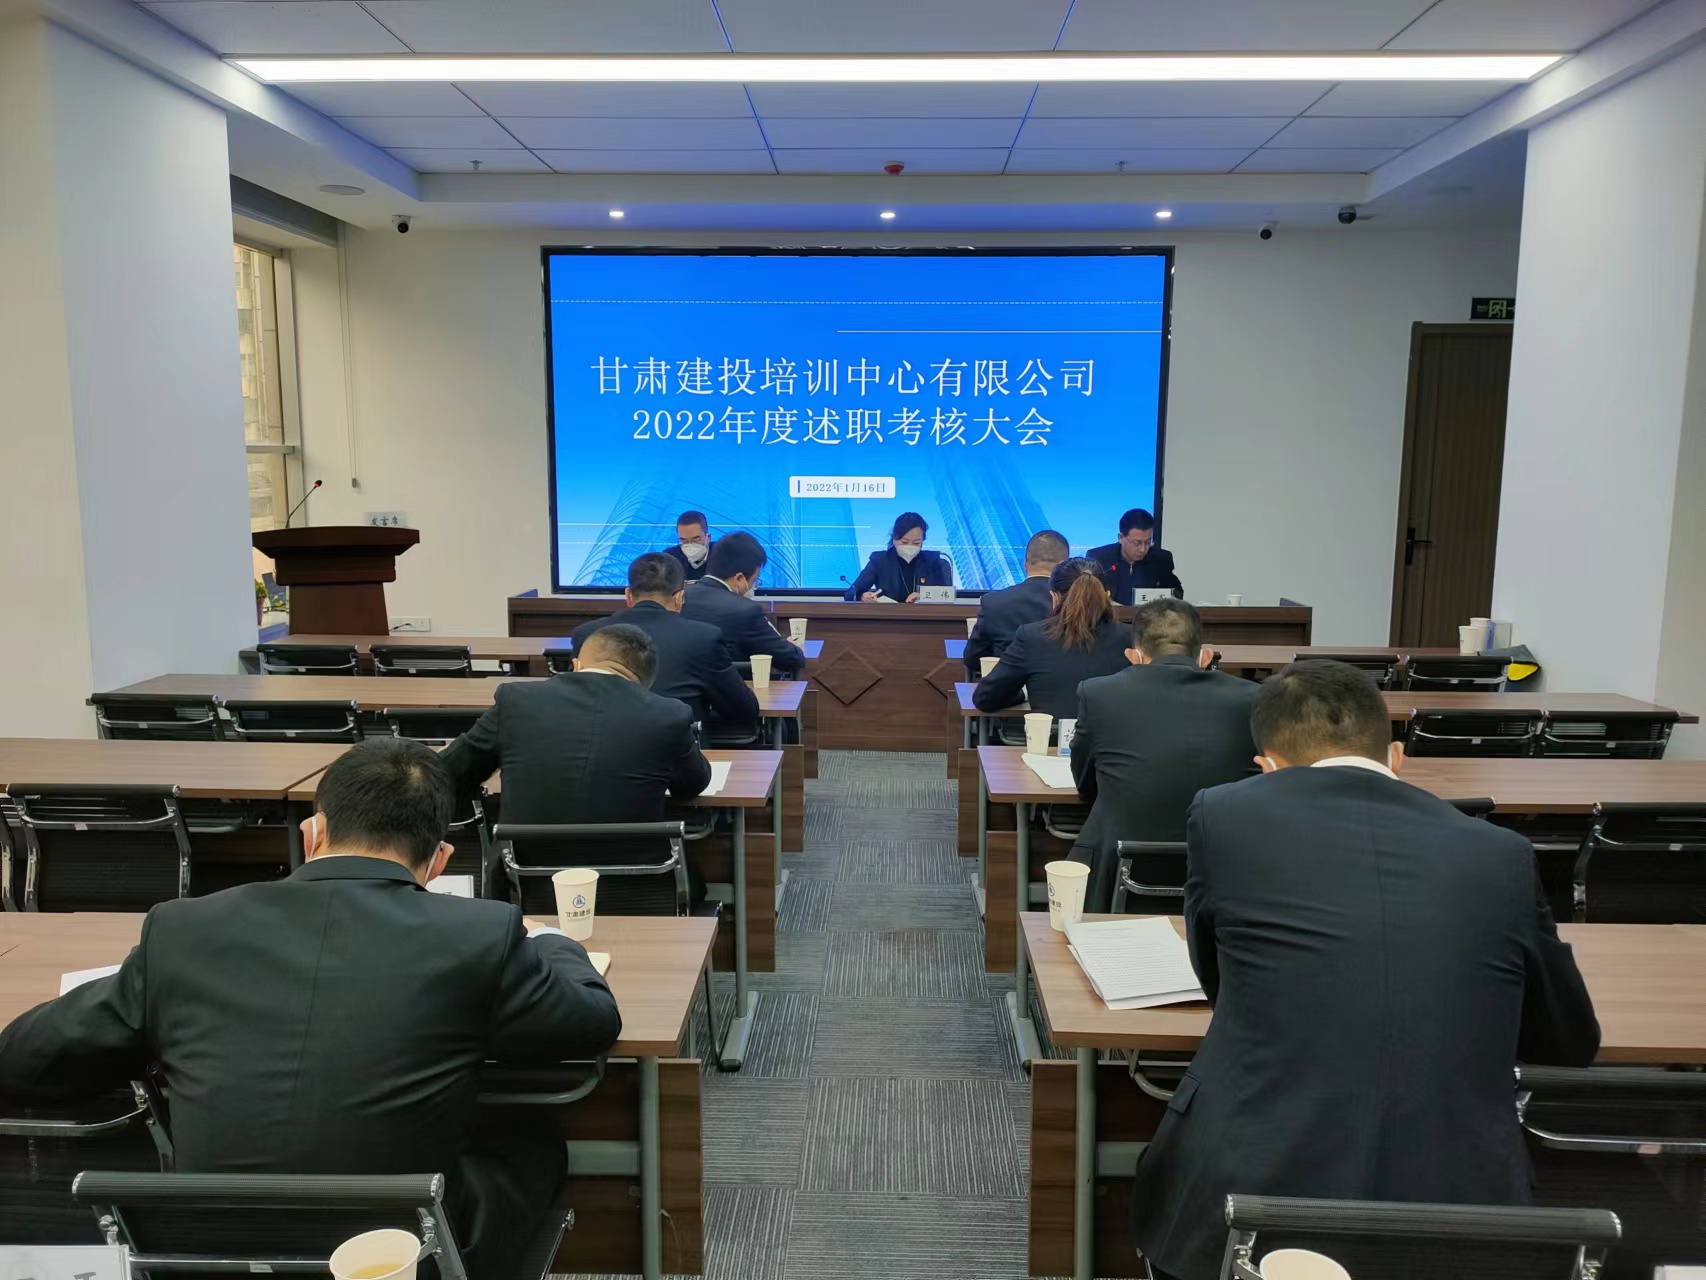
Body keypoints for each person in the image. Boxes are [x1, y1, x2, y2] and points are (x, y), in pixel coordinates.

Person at [0, 738, 620, 1280]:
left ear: (311, 834)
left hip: (204, 1253)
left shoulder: (183, 930)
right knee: (535, 1140)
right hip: (405, 1250)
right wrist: (553, 943)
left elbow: (23, 1059)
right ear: (438, 862)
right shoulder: (481, 933)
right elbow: (591, 1021)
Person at [1131, 660, 1601, 1280]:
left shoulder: (1223, 815)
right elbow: (1569, 1040)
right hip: (1460, 1209)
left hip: (1250, 1194)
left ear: (1267, 766)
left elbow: (1217, 980)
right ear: (1396, 756)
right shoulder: (1502, 853)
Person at [442, 624, 713, 905]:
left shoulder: (516, 701)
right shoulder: (667, 714)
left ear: (576, 664)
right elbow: (693, 783)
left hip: (527, 889)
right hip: (641, 893)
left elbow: (449, 770)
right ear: (645, 683)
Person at [1068, 597, 1259, 911]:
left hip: (1124, 863)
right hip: (1223, 867)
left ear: (1134, 656)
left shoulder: (1100, 693)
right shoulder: (1253, 697)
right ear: (1205, 656)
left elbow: (1084, 782)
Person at [570, 552, 758, 728]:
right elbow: (743, 709)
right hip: (677, 747)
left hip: (599, 745)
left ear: (628, 596)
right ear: (680, 598)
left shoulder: (587, 634)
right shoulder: (704, 637)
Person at [973, 557, 1129, 719]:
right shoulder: (1130, 637)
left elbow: (985, 698)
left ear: (1054, 597)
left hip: (1050, 735)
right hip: (1115, 735)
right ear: (1106, 596)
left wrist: (1022, 694)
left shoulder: (1032, 637)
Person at [680, 531, 805, 676]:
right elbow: (791, 659)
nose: (752, 587)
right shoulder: (745, 611)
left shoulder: (679, 598)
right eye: (754, 581)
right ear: (739, 578)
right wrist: (795, 648)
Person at [964, 529, 1068, 678]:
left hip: (1008, 689)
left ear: (1025, 565)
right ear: (1064, 566)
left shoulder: (994, 602)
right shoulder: (1077, 603)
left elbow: (973, 659)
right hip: (1066, 687)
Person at [845, 512, 954, 602]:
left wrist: (922, 596)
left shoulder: (934, 561)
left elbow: (948, 595)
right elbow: (851, 593)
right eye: (904, 542)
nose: (910, 546)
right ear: (894, 538)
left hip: (926, 618)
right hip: (888, 617)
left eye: (916, 543)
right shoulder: (880, 561)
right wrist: (862, 596)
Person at [1087, 507, 1182, 603]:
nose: (1143, 549)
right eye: (1137, 543)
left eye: (1148, 542)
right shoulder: (1098, 558)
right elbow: (1088, 595)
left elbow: (1177, 593)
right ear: (1121, 537)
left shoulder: (1161, 559)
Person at [662, 509, 712, 583]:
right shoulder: (669, 558)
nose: (690, 545)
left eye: (696, 539)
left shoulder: (723, 555)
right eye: (684, 540)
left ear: (708, 537)